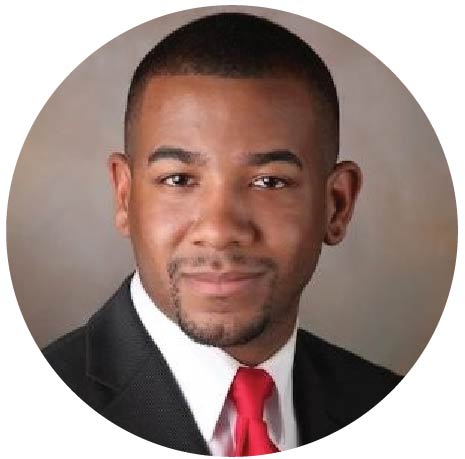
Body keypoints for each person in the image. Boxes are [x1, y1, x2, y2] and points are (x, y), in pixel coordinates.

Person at [43, 12, 401, 456]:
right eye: (178, 179)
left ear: (337, 205)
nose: (218, 231)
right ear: (124, 196)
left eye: (269, 182)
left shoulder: (391, 408)